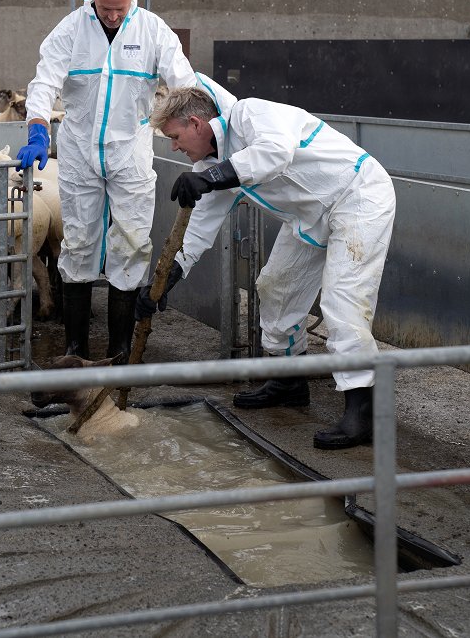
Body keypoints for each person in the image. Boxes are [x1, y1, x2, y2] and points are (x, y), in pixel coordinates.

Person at [136, 77, 396, 449]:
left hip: (358, 197)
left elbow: (276, 152)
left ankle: (364, 411)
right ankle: (290, 380)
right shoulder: (213, 165)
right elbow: (198, 228)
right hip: (309, 218)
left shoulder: (250, 114)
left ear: (196, 124)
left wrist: (212, 177)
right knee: (274, 290)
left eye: (175, 137)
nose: (175, 147)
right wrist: (167, 280)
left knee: (343, 303)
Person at [17, 0, 197, 363]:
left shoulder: (153, 30)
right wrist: (37, 129)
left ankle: (119, 351)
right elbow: (44, 82)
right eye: (104, 8)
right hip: (80, 151)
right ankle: (75, 349)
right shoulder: (70, 30)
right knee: (77, 242)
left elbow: (184, 82)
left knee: (132, 242)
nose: (112, 16)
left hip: (129, 150)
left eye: (120, 8)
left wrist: (200, 128)